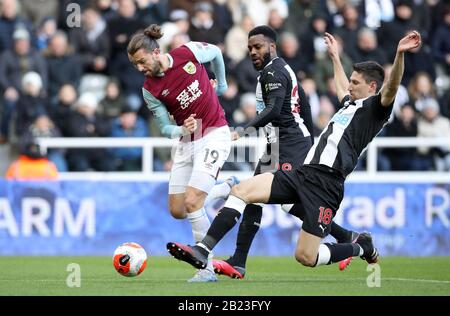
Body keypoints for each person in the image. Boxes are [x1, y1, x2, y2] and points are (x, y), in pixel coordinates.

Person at [167, 30, 422, 272]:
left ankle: (359, 246)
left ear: (372, 86)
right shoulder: (349, 104)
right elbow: (342, 85)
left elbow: (392, 87)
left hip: (326, 185)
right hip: (304, 173)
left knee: (306, 257)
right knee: (241, 191)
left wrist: (399, 54)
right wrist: (334, 57)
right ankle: (203, 249)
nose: (350, 86)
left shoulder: (377, 110)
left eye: (357, 83)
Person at [207, 26, 358, 279]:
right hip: (276, 144)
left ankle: (349, 240)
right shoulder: (278, 70)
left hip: (289, 145)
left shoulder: (274, 71)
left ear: (272, 46)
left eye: (258, 47)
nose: (253, 52)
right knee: (257, 198)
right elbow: (305, 105)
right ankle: (239, 261)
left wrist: (242, 131)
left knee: (281, 200)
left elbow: (276, 110)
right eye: (250, 48)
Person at [127, 24, 233, 282]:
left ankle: (206, 270)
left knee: (193, 201)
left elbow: (217, 53)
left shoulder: (188, 53)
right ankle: (223, 190)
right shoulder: (149, 89)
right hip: (186, 142)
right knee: (177, 209)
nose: (140, 69)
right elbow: (164, 126)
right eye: (135, 65)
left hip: (214, 134)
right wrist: (179, 129)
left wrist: (222, 86)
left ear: (155, 51)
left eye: (142, 62)